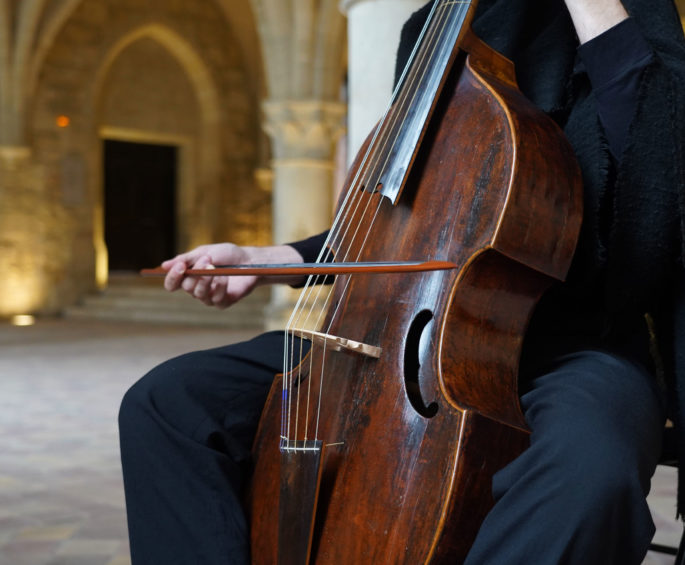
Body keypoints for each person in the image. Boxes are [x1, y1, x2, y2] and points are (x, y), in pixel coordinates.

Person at [118, 0, 685, 563]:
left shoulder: (626, 16)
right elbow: (406, 214)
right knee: (170, 402)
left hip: (579, 342)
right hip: (414, 332)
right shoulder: (429, 30)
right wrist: (269, 258)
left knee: (591, 471)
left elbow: (663, 179)